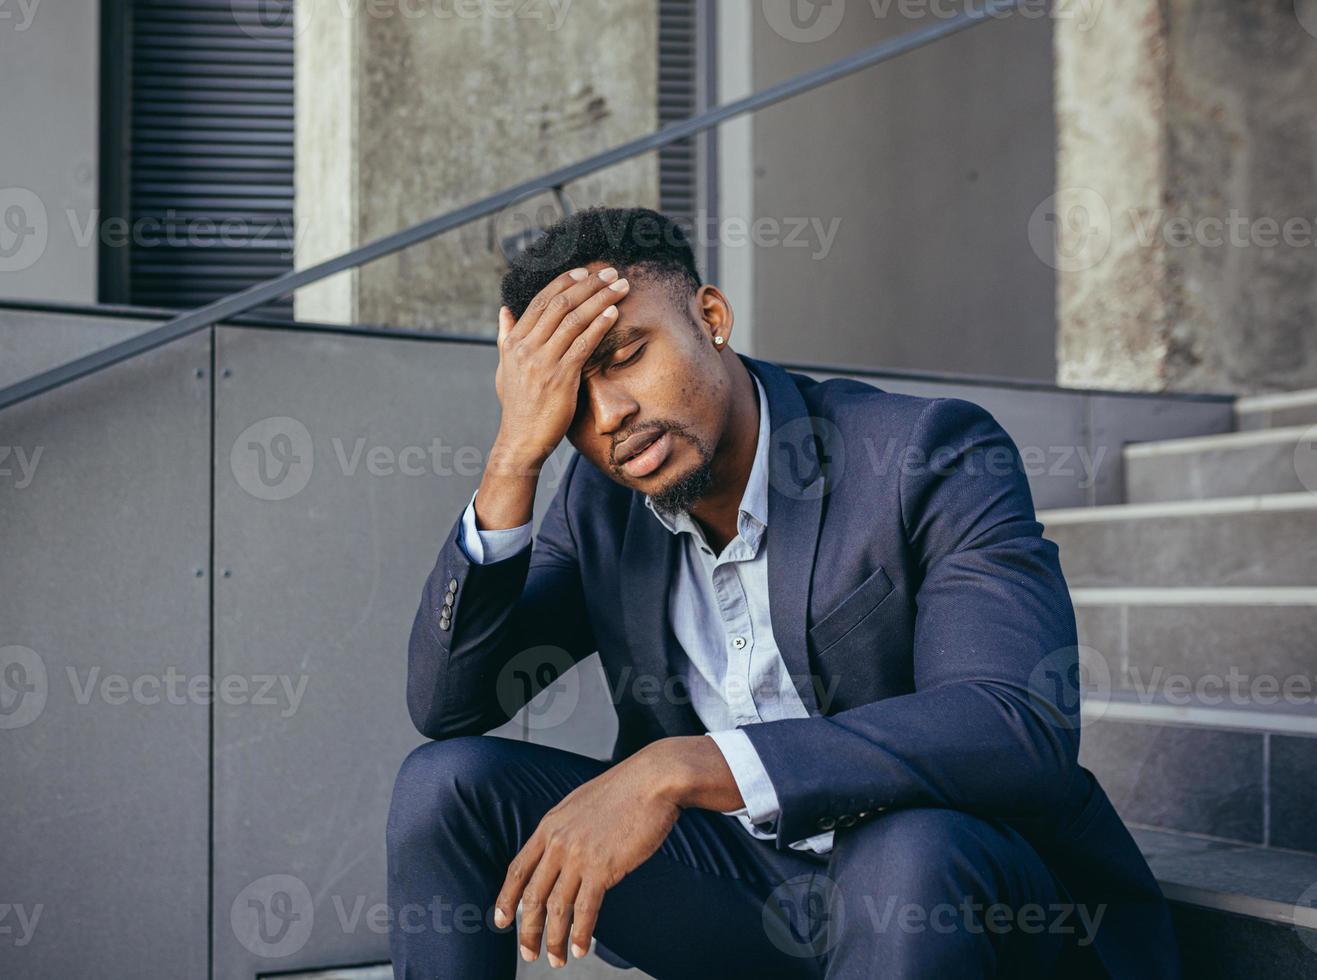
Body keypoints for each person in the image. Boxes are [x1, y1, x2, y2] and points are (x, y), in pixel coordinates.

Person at [386, 206, 1177, 978]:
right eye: (569, 398)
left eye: (626, 354)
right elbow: (451, 706)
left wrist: (684, 766)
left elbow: (1015, 724)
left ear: (712, 317)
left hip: (962, 897)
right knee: (445, 787)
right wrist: (512, 462)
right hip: (759, 896)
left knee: (902, 852)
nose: (610, 415)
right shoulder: (602, 504)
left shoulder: (922, 453)